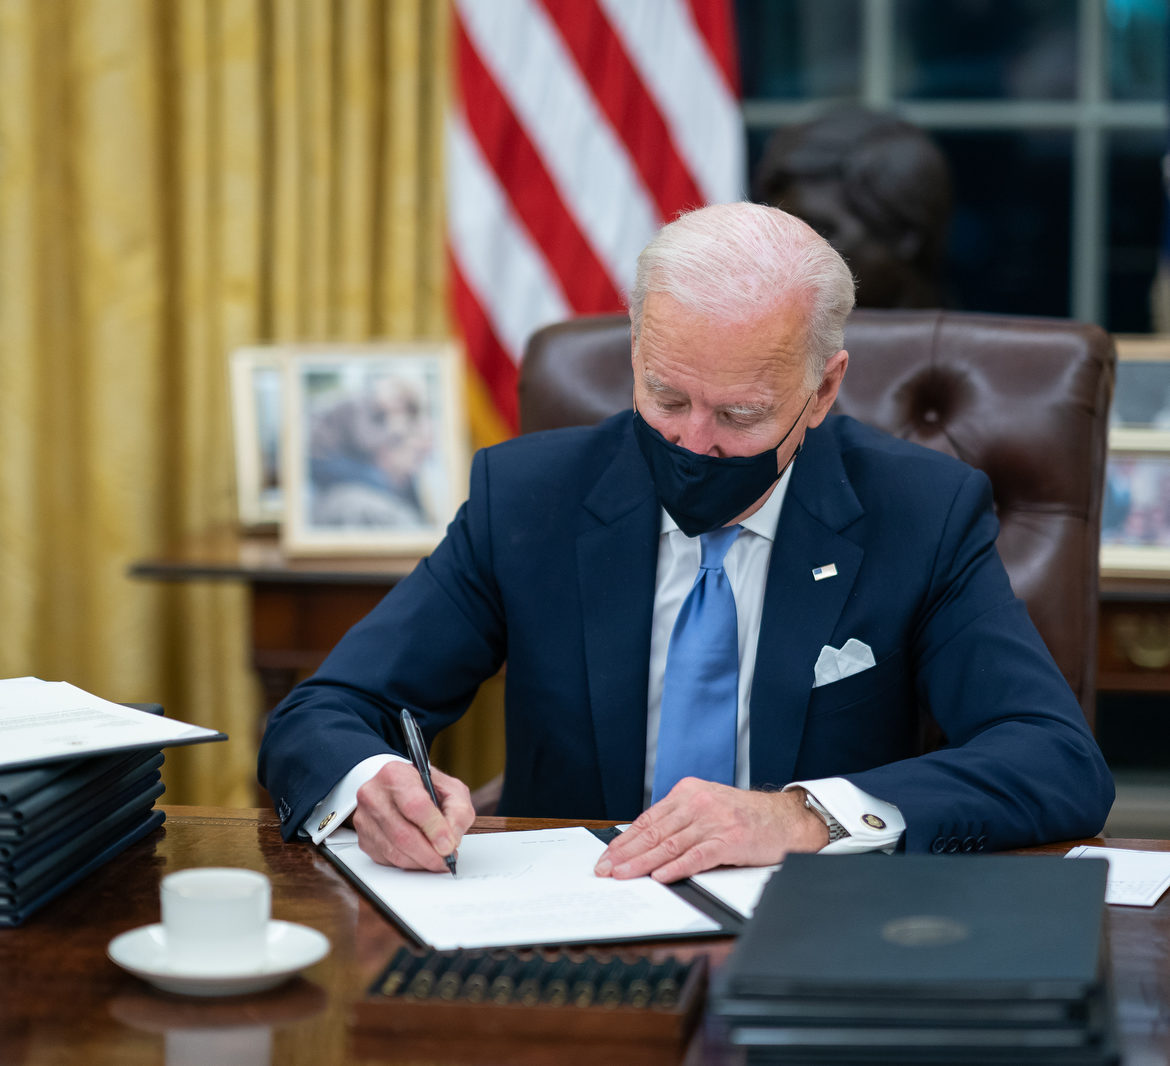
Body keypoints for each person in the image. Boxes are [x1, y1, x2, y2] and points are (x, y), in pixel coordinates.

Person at [258, 202, 1113, 883]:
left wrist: (802, 815)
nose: (693, 442)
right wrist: (371, 786)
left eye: (740, 414)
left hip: (813, 932)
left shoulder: (919, 512)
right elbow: (326, 712)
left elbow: (1053, 759)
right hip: (571, 928)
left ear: (824, 390)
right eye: (666, 397)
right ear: (636, 343)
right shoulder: (529, 499)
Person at [752, 106, 952, 310]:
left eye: (819, 232)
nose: (778, 259)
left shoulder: (970, 341)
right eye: (776, 236)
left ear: (904, 234)